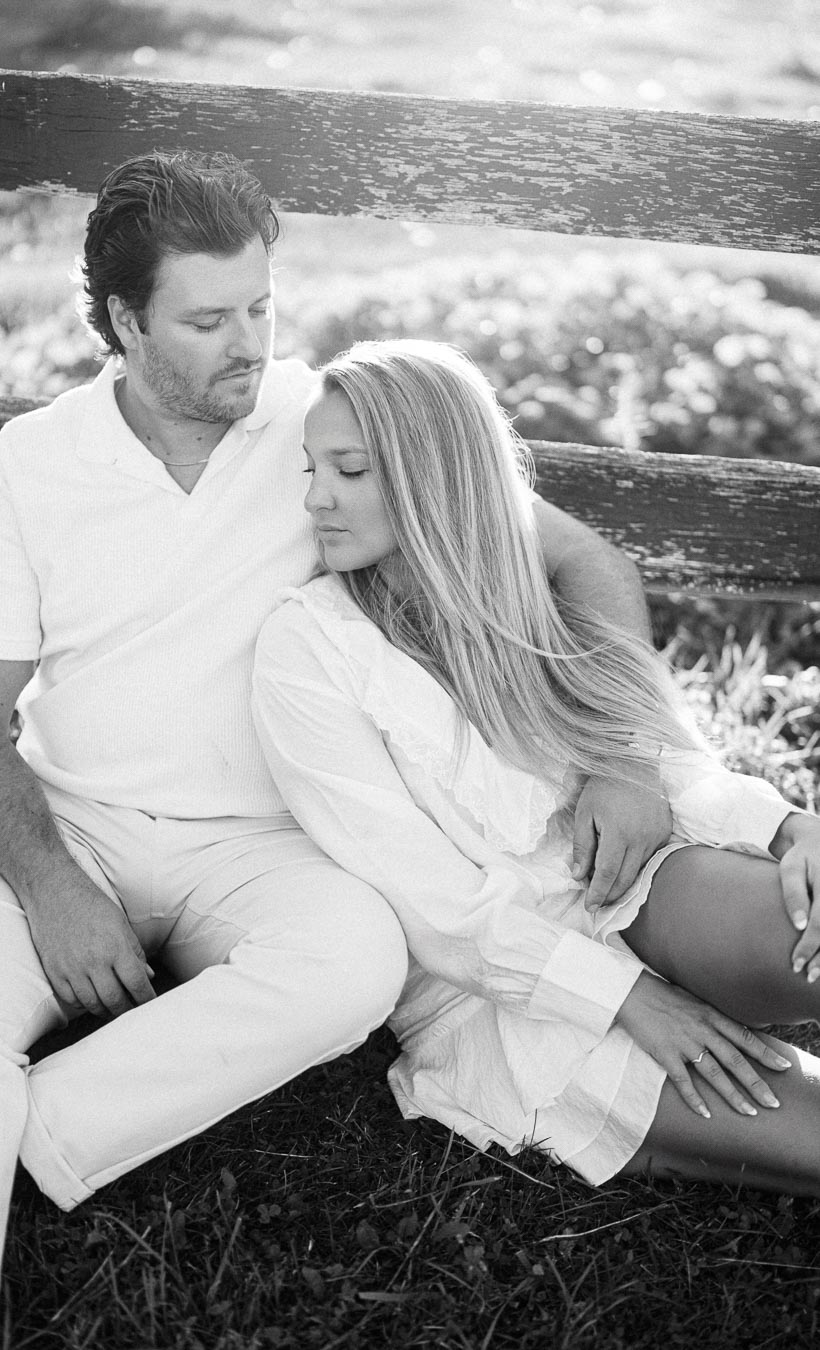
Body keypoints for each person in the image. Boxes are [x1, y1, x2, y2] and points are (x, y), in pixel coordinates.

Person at [0, 154, 657, 1349]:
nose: (249, 344)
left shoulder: (331, 428)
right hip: (70, 822)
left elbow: (585, 565)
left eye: (261, 306)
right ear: (124, 323)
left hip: (274, 845)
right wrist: (50, 884)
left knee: (353, 966)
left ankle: (21, 1132)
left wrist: (624, 757)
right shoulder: (33, 462)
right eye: (207, 320)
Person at [252, 337, 820, 1197]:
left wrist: (785, 828)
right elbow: (431, 905)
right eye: (312, 468)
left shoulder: (522, 589)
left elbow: (647, 749)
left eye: (350, 470)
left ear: (433, 477)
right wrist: (628, 999)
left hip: (632, 883)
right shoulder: (305, 648)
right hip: (506, 995)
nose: (314, 498)